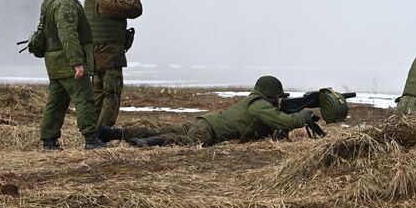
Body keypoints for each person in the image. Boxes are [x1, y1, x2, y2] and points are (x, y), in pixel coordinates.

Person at [99, 76, 316, 147]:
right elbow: (283, 121)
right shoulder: (260, 106)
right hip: (209, 131)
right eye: (278, 96)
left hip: (205, 121)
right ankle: (150, 142)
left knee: (167, 127)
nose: (280, 100)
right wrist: (302, 117)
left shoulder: (255, 101)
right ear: (271, 95)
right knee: (179, 140)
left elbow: (272, 127)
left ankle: (117, 133)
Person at [39, 0, 105, 150]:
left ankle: (49, 141)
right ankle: (91, 140)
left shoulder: (50, 0)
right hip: (67, 61)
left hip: (54, 61)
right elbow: (68, 34)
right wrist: (77, 63)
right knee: (84, 98)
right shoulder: (66, 3)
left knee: (56, 102)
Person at [84, 0, 143, 127]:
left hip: (95, 53)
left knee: (97, 94)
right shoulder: (106, 1)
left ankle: (92, 131)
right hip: (108, 54)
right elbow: (135, 9)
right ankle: (103, 132)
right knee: (111, 94)